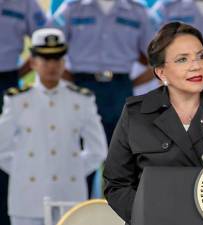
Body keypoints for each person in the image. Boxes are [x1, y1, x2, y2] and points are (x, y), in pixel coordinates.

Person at [103, 22, 203, 224]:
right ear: (161, 72)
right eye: (182, 59)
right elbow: (117, 183)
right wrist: (147, 216)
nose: (196, 65)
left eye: (201, 56)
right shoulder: (137, 113)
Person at [0, 28, 108, 225]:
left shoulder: (81, 99)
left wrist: (71, 169)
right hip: (27, 198)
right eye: (45, 59)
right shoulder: (16, 100)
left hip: (70, 196)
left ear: (64, 63)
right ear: (33, 62)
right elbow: (2, 149)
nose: (52, 65)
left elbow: (98, 149)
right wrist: (25, 169)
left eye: (57, 59)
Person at [49, 0, 155, 142]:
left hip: (119, 89)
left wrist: (131, 84)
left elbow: (159, 57)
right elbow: (47, 47)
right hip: (80, 85)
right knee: (77, 149)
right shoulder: (73, 8)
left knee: (120, 151)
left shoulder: (138, 11)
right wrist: (67, 77)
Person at [0, 1, 46, 224]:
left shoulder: (24, 4)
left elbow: (45, 40)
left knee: (6, 151)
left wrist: (19, 72)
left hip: (6, 80)